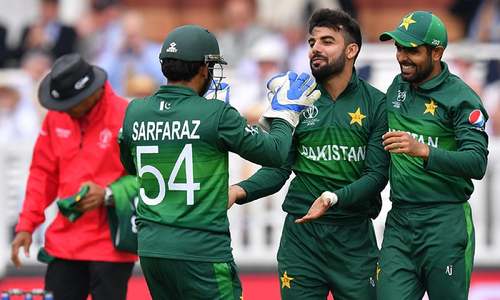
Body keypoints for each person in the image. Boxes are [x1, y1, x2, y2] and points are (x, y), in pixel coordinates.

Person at [118, 24, 320, 300]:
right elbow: (274, 152)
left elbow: (132, 168)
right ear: (203, 69)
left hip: (152, 249)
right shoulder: (216, 113)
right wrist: (285, 113)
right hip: (201, 249)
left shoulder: (135, 111)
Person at [229, 9, 389, 300]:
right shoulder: (296, 97)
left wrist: (332, 198)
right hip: (302, 239)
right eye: (312, 42)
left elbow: (376, 176)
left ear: (351, 50)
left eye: (327, 41)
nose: (316, 48)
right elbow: (279, 168)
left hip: (353, 239)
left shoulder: (377, 103)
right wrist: (236, 192)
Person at [377, 11, 489, 300]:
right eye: (399, 48)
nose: (402, 56)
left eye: (412, 50)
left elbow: (477, 163)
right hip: (400, 221)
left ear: (437, 52)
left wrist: (424, 150)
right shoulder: (396, 87)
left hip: (445, 222)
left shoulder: (462, 98)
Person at [10, 53, 137, 300]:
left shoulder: (128, 115)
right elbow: (42, 173)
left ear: (91, 93)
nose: (64, 111)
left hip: (112, 243)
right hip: (65, 243)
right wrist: (26, 224)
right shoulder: (58, 116)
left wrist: (108, 194)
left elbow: (148, 178)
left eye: (70, 104)